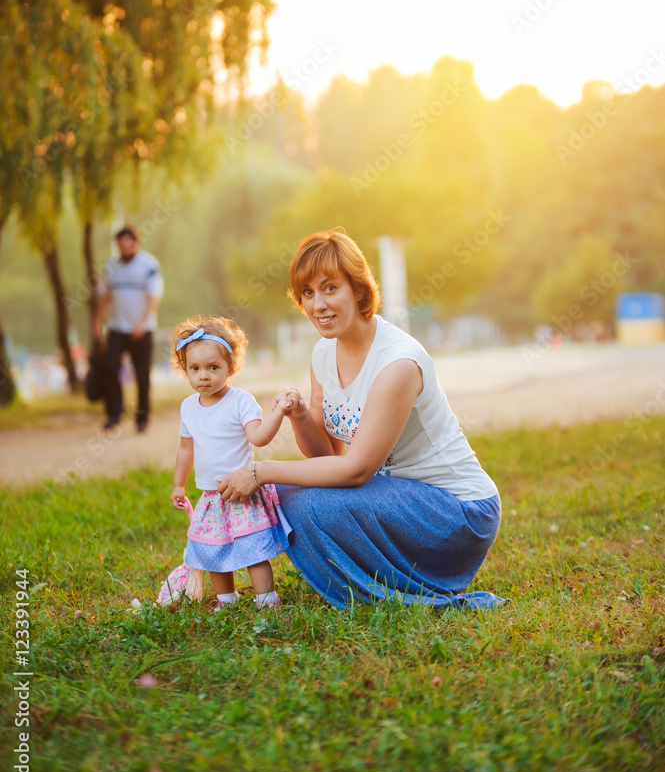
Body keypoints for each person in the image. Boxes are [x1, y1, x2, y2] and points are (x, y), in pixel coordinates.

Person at [218, 228, 504, 611]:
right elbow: (328, 453)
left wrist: (261, 470)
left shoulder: (397, 362)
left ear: (358, 289)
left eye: (330, 288)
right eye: (307, 293)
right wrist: (302, 417)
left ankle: (387, 596)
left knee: (302, 502)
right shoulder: (323, 354)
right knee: (286, 495)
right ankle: (376, 581)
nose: (318, 304)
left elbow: (355, 471)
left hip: (459, 512)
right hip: (398, 500)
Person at [170, 315, 293, 610]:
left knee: (252, 550)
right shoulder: (188, 408)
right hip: (211, 496)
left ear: (230, 366)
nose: (204, 376)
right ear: (184, 369)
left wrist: (278, 412)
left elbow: (259, 437)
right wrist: (178, 484)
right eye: (195, 368)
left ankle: (266, 599)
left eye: (213, 367)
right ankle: (227, 601)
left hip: (241, 492)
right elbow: (186, 450)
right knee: (211, 550)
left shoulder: (240, 401)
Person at [94, 226, 163, 432]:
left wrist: (142, 323)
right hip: (118, 328)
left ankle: (142, 418)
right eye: (121, 245)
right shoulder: (111, 266)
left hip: (142, 329)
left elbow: (154, 297)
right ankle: (114, 413)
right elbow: (105, 297)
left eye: (129, 244)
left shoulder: (149, 265)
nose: (125, 248)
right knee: (110, 368)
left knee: (142, 375)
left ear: (136, 244)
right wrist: (98, 323)